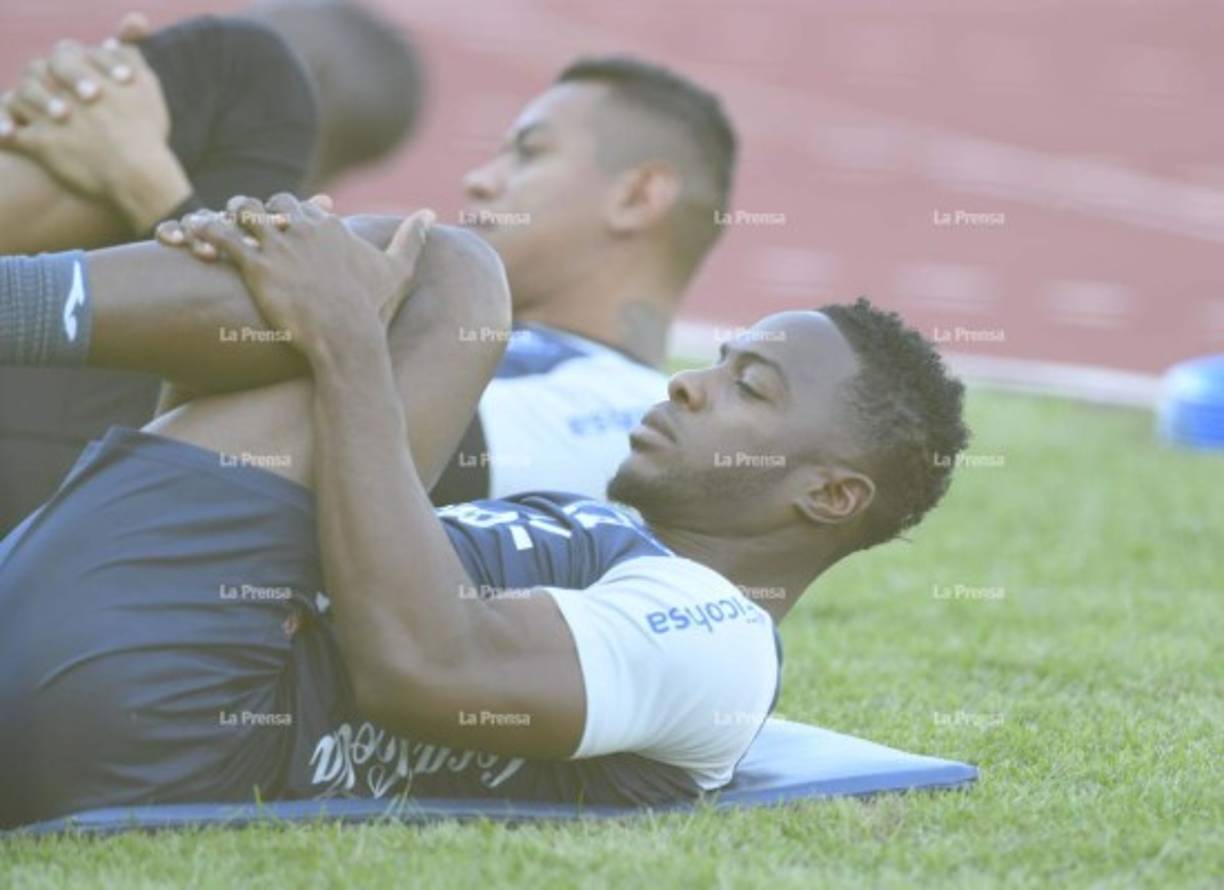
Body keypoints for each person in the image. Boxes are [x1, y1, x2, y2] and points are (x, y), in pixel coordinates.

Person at [0, 196, 969, 826]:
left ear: (831, 494)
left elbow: (428, 666)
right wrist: (283, 293)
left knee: (450, 273)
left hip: (177, 715)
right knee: (361, 275)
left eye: (749, 386)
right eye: (717, 359)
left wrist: (343, 335)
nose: (687, 385)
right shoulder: (596, 535)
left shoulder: (720, 637)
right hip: (125, 658)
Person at [0, 3, 423, 536]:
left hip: (59, 485)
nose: (137, 53)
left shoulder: (252, 77)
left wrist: (142, 174)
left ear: (304, 82)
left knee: (241, 61)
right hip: (70, 521)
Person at [431, 55, 738, 503]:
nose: (478, 180)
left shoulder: (639, 418)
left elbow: (365, 446)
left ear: (637, 197)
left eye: (529, 153)